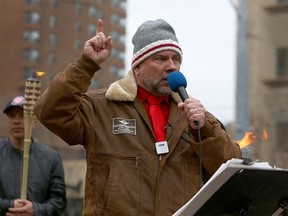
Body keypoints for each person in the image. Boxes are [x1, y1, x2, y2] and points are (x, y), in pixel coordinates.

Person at [34, 19, 242, 215]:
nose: (171, 65)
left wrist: (204, 129)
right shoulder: (102, 106)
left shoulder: (194, 118)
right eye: (160, 58)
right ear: (137, 67)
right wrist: (86, 65)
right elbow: (50, 112)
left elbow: (234, 170)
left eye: (176, 58)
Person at [0, 95, 67, 216]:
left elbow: (59, 203)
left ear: (35, 121)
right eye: (12, 116)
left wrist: (35, 210)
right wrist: (10, 205)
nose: (16, 120)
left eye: (23, 115)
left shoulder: (50, 158)